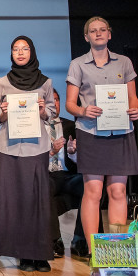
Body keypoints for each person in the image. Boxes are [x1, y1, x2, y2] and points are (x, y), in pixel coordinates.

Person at [65, 17, 138, 249]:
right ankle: (94, 251)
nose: (98, 33)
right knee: (94, 191)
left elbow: (133, 97)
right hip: (91, 132)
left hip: (120, 131)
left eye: (102, 30)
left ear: (109, 34)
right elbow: (70, 104)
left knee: (118, 190)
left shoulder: (124, 62)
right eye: (93, 31)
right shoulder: (77, 64)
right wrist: (83, 110)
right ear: (86, 37)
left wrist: (134, 109)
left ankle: (117, 249)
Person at [0, 35, 55, 272]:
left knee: (37, 201)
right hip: (9, 148)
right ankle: (23, 254)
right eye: (16, 49)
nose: (20, 53)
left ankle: (40, 254)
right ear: (11, 54)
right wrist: (4, 112)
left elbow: (51, 114)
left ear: (32, 52)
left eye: (25, 49)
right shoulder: (1, 82)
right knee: (13, 202)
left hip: (36, 147)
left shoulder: (46, 82)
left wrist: (43, 111)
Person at [47, 89, 97, 259]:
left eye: (57, 100)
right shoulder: (36, 128)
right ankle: (55, 240)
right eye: (50, 100)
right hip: (48, 175)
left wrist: (73, 153)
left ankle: (81, 240)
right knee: (45, 186)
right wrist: (51, 152)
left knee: (90, 185)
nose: (54, 104)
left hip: (68, 175)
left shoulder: (72, 126)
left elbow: (83, 161)